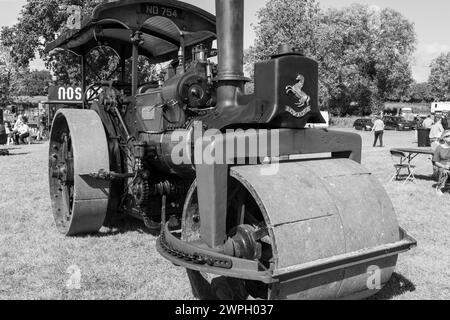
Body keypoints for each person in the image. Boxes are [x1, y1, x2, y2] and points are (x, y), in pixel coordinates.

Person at [432, 130, 450, 195]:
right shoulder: (439, 148)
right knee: (445, 171)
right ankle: (439, 188)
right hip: (441, 167)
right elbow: (435, 162)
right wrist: (444, 166)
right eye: (448, 136)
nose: (449, 137)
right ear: (444, 138)